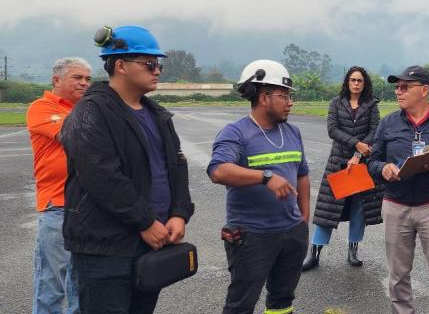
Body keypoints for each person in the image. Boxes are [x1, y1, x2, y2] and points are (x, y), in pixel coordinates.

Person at [60, 26, 194, 314]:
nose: (157, 70)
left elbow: (177, 167)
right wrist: (146, 222)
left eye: (158, 64)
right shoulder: (90, 112)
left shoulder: (157, 114)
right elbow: (102, 176)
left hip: (152, 242)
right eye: (150, 64)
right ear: (120, 65)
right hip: (106, 248)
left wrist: (179, 213)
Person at [207, 59, 310, 314]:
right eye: (283, 95)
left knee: (282, 300)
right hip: (251, 236)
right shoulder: (236, 133)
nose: (290, 102)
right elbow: (218, 170)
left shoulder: (293, 132)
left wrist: (303, 219)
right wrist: (265, 177)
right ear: (263, 97)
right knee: (241, 303)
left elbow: (302, 175)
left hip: (291, 232)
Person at [367, 65, 429, 314]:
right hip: (395, 206)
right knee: (398, 276)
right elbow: (372, 161)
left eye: (404, 87)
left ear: (424, 90)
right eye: (396, 87)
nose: (398, 92)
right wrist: (383, 168)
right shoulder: (388, 123)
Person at [26, 57, 91, 314]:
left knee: (64, 279)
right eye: (77, 78)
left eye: (88, 78)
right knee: (63, 281)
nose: (84, 83)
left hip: (84, 205)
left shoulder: (85, 109)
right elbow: (79, 134)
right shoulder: (41, 108)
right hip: (58, 206)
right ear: (57, 80)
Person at [303, 66, 382, 270]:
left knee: (359, 208)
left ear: (365, 84)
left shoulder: (372, 105)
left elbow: (375, 130)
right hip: (337, 162)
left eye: (360, 81)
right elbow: (332, 130)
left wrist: (359, 154)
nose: (356, 84)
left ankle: (353, 250)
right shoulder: (336, 103)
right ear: (347, 82)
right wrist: (356, 144)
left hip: (362, 163)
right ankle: (315, 253)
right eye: (353, 80)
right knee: (327, 210)